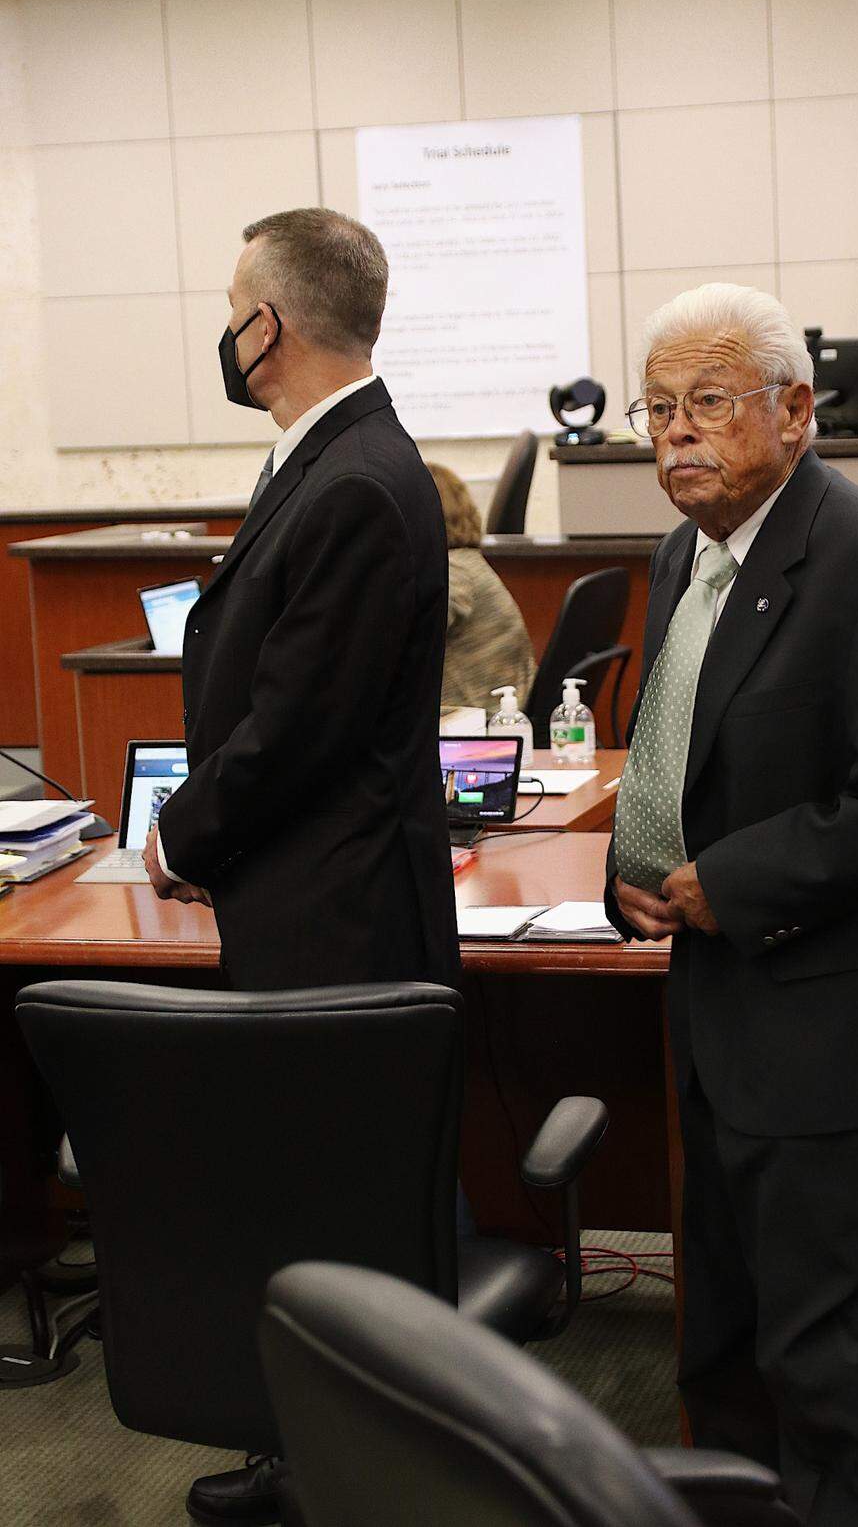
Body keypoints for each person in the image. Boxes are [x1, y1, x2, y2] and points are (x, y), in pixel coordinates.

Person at [606, 284, 858, 1527]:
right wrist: (637, 863)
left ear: (797, 409)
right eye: (657, 409)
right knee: (719, 1342)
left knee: (820, 1371)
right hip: (719, 1014)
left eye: (707, 404)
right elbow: (679, 746)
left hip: (834, 1020)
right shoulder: (684, 552)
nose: (675, 435)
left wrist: (738, 883)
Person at [141, 207, 459, 1527]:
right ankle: (318, 1458)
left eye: (232, 305)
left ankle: (359, 1477)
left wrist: (179, 832)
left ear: (268, 323)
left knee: (339, 1210)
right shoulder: (329, 459)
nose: (226, 328)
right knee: (312, 1203)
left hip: (337, 915)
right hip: (310, 895)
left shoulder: (354, 479)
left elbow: (297, 727)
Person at [427, 461, 536, 716]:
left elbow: (394, 643)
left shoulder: (452, 573)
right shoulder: (469, 563)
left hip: (477, 725)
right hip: (501, 711)